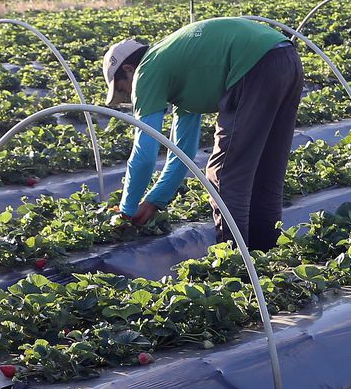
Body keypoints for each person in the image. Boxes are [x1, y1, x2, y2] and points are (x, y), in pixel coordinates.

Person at [102, 16, 304, 250]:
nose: (128, 96)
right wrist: (155, 200)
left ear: (129, 70)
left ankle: (235, 262)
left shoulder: (148, 71)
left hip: (254, 64)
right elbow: (183, 152)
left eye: (122, 88)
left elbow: (145, 152)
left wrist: (126, 210)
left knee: (224, 173)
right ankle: (264, 255)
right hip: (285, 56)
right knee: (266, 170)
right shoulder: (177, 68)